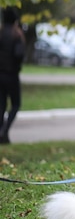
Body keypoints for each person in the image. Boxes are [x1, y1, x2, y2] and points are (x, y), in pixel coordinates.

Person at [0, 7, 25, 144]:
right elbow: (19, 54)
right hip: (11, 75)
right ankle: (5, 130)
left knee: (2, 104)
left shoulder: (1, 33)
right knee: (15, 104)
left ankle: (2, 132)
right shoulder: (16, 35)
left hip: (0, 74)